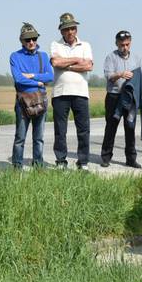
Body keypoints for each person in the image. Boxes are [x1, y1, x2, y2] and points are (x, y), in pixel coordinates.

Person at [49, 13, 93, 170]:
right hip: (61, 93)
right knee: (60, 130)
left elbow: (88, 66)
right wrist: (76, 60)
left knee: (83, 129)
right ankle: (61, 161)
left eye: (73, 28)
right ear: (61, 31)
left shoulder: (85, 45)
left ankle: (83, 162)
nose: (70, 32)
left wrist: (66, 65)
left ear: (76, 29)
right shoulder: (56, 44)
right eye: (67, 29)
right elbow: (55, 62)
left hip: (81, 93)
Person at [100, 30, 142, 168]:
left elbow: (141, 78)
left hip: (130, 98)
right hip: (114, 96)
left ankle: (131, 159)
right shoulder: (111, 57)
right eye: (122, 45)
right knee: (111, 127)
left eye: (127, 44)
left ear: (130, 43)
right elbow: (109, 76)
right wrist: (121, 74)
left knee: (130, 127)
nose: (125, 47)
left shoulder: (137, 58)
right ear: (116, 43)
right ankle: (105, 157)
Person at [9, 23, 54, 168]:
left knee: (39, 138)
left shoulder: (44, 56)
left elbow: (50, 76)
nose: (31, 42)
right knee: (20, 137)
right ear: (21, 40)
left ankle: (38, 165)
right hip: (23, 102)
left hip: (41, 101)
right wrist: (39, 83)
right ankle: (17, 166)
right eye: (27, 39)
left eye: (34, 38)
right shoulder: (15, 56)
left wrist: (32, 76)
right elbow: (18, 79)